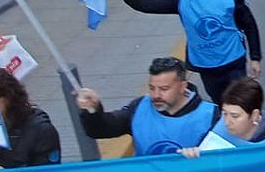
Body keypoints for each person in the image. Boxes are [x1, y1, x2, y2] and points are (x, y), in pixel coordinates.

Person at [108, 0, 262, 103]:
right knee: (221, 105)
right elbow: (144, 3)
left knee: (241, 103)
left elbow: (249, 25)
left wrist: (255, 58)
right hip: (206, 67)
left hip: (233, 63)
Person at [77, 57, 219, 157]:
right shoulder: (140, 107)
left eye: (164, 88)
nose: (156, 95)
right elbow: (102, 129)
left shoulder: (211, 115)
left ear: (183, 86)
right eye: (152, 88)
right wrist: (93, 111)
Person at [192, 78, 265, 151]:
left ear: (255, 115)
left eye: (235, 116)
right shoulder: (219, 130)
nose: (227, 122)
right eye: (224, 114)